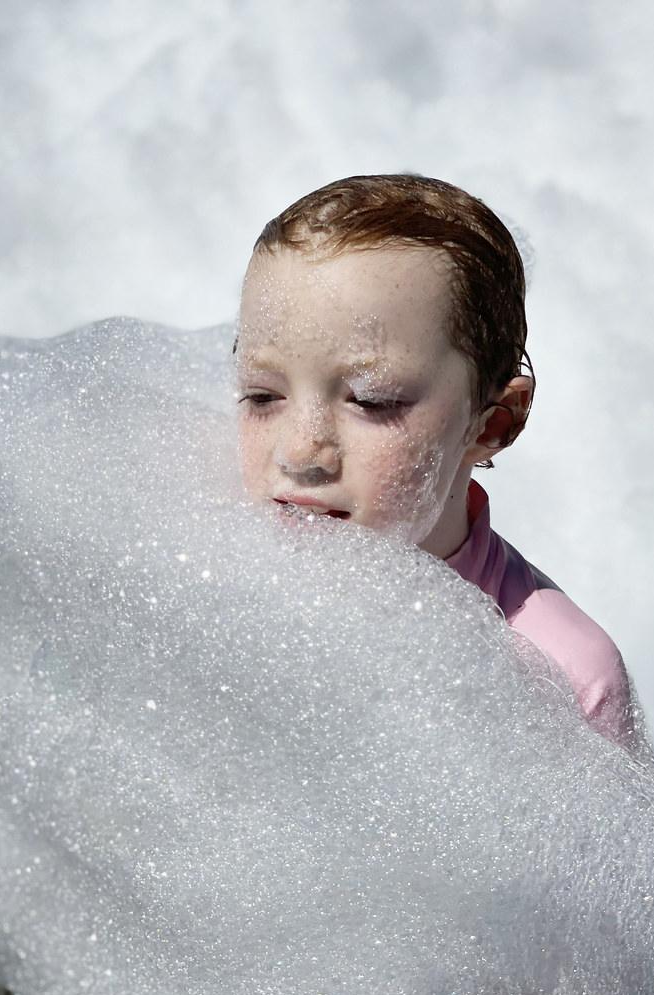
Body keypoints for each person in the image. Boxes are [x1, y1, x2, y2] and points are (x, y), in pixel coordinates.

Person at [234, 173, 633, 744]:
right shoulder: (171, 561)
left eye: (372, 401)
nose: (299, 453)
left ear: (493, 422)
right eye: (261, 395)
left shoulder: (561, 682)